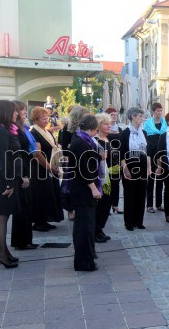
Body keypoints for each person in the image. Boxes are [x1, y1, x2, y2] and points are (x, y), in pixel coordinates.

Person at [69, 114, 102, 271]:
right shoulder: (81, 143)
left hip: (82, 189)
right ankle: (84, 262)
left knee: (84, 226)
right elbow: (83, 169)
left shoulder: (80, 140)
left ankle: (85, 260)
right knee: (85, 227)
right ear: (93, 128)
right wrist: (94, 189)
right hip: (83, 190)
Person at [0, 100, 20, 268]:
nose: (16, 114)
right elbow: (3, 158)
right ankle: (1, 253)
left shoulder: (3, 129)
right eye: (13, 111)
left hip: (5, 175)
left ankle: (4, 251)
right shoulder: (1, 132)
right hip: (2, 176)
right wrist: (9, 183)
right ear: (5, 112)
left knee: (5, 214)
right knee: (2, 214)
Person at [30, 107, 64, 232]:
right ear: (36, 119)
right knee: (41, 195)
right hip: (41, 169)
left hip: (52, 167)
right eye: (43, 118)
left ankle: (45, 220)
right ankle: (39, 222)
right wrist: (50, 168)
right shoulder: (34, 132)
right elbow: (37, 154)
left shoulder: (47, 131)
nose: (46, 120)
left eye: (47, 118)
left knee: (50, 194)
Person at [11, 100, 38, 250]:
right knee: (22, 207)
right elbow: (18, 153)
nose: (24, 112)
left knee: (27, 206)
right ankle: (21, 241)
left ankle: (26, 239)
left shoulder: (22, 127)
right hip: (23, 169)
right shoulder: (14, 128)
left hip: (28, 166)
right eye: (22, 110)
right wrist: (23, 174)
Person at [120, 108, 150, 230]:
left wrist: (149, 167)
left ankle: (139, 221)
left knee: (141, 193)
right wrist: (125, 168)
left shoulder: (144, 133)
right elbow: (121, 153)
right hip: (130, 165)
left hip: (142, 165)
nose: (142, 119)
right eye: (139, 116)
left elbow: (146, 152)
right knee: (129, 194)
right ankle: (129, 222)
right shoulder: (125, 133)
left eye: (142, 117)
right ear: (133, 117)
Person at [59, 105, 89, 221]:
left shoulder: (85, 127)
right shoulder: (68, 128)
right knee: (68, 186)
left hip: (82, 159)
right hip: (71, 159)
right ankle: (70, 209)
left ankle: (76, 207)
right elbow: (64, 144)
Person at [144, 103, 167, 213]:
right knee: (151, 180)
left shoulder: (164, 123)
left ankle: (158, 204)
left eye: (161, 110)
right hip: (152, 153)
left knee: (161, 180)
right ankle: (149, 205)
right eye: (158, 110)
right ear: (153, 111)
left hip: (162, 154)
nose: (159, 112)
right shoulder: (148, 124)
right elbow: (146, 141)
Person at [94, 113, 113, 242]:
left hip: (110, 175)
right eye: (106, 124)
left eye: (109, 123)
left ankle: (100, 229)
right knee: (101, 204)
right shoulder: (96, 140)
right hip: (101, 177)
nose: (109, 126)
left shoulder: (107, 139)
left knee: (107, 204)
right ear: (98, 126)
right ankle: (96, 231)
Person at [105, 107, 124, 214]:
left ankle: (115, 205)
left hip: (117, 159)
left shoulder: (120, 129)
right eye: (112, 114)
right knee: (106, 182)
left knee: (116, 183)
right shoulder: (104, 129)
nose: (114, 116)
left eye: (116, 114)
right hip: (107, 158)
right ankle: (106, 205)